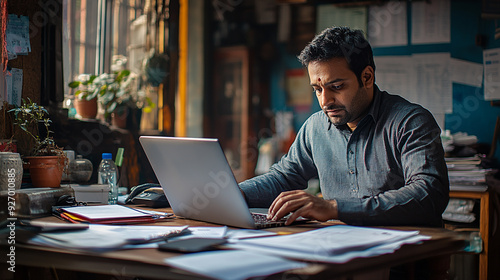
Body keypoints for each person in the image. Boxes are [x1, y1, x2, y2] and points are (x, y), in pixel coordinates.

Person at [239, 26, 449, 227]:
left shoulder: (410, 122)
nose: (325, 101)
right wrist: (232, 194)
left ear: (366, 77)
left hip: (402, 255)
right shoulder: (315, 127)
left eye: (336, 87)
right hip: (339, 249)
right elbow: (283, 178)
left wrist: (335, 208)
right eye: (318, 89)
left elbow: (429, 194)